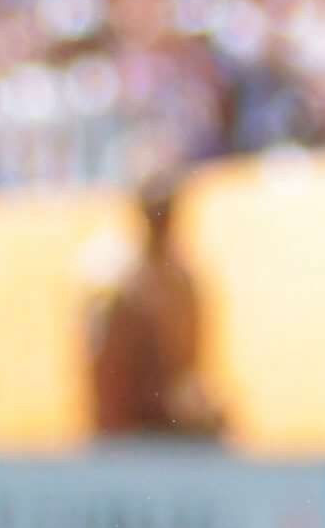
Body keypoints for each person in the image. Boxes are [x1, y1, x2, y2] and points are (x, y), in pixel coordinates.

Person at [87, 174, 227, 439]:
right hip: (136, 419)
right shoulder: (124, 285)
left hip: (172, 408)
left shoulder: (183, 283)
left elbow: (191, 362)